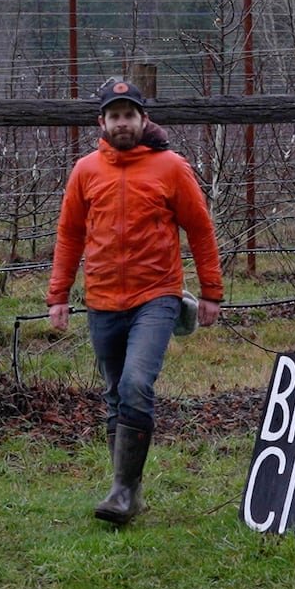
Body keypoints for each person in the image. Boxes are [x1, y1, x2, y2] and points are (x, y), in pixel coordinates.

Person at [47, 80, 224, 525]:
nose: (122, 123)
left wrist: (211, 292)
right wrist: (59, 296)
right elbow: (69, 235)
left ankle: (122, 491)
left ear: (144, 120)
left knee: (135, 385)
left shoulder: (171, 168)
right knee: (113, 394)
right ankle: (128, 488)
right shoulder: (85, 171)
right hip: (102, 297)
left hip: (156, 295)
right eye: (114, 115)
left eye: (129, 115)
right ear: (101, 123)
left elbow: (199, 230)